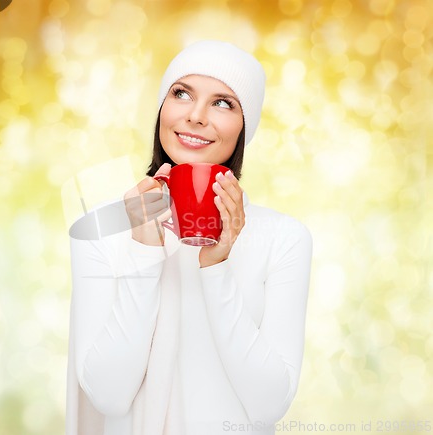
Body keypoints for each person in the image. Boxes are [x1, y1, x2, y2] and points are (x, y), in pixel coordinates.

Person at [66, 40, 312, 435]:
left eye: (223, 103)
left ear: (244, 128)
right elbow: (109, 396)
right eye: (181, 94)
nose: (196, 116)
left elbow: (268, 405)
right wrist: (144, 248)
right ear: (163, 108)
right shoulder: (100, 231)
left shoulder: (283, 238)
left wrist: (216, 268)